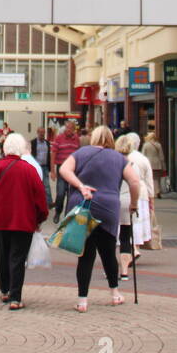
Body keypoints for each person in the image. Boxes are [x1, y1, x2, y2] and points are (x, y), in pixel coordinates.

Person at [59, 126, 141, 313]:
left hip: (83, 206)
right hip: (108, 208)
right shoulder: (119, 159)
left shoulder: (81, 152)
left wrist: (81, 186)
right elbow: (135, 182)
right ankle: (115, 293)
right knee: (108, 252)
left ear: (93, 138)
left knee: (85, 255)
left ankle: (82, 300)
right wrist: (134, 204)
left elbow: (64, 170)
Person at [0, 133, 49, 309]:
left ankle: (4, 290)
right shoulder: (29, 170)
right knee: (17, 258)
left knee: (2, 255)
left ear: (4, 148)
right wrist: (40, 218)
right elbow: (40, 198)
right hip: (23, 222)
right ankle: (15, 297)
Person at [117, 133, 155, 263]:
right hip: (142, 193)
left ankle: (131, 249)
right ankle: (135, 247)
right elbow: (149, 181)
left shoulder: (120, 158)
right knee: (138, 222)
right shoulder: (143, 159)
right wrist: (152, 199)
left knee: (126, 224)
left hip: (124, 193)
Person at [50, 119, 81, 223]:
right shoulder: (59, 138)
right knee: (61, 193)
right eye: (67, 128)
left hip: (73, 170)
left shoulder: (76, 139)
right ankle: (58, 211)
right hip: (61, 168)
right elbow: (53, 154)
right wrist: (53, 171)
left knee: (71, 194)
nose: (68, 130)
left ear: (74, 130)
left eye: (71, 128)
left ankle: (67, 215)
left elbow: (79, 155)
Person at [30, 127, 52, 210]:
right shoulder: (33, 142)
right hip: (36, 167)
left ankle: (49, 203)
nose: (42, 134)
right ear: (37, 132)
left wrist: (51, 168)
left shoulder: (47, 143)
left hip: (45, 166)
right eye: (40, 132)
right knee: (35, 185)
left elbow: (49, 156)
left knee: (46, 185)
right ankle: (34, 202)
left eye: (43, 132)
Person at [141, 130, 165, 197]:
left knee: (149, 178)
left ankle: (151, 192)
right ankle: (158, 191)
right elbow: (161, 156)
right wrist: (163, 166)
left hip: (148, 164)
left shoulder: (145, 145)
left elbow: (143, 155)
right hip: (157, 164)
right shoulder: (158, 145)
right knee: (157, 178)